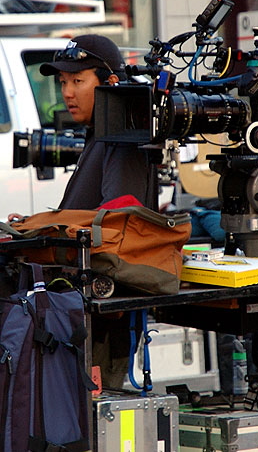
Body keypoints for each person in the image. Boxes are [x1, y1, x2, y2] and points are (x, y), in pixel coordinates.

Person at [13, 34, 159, 388]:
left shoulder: (121, 139)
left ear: (110, 82)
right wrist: (36, 226)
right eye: (63, 82)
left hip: (103, 319)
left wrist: (44, 228)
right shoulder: (101, 134)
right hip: (81, 309)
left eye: (78, 81)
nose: (67, 92)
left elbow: (112, 225)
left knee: (94, 426)